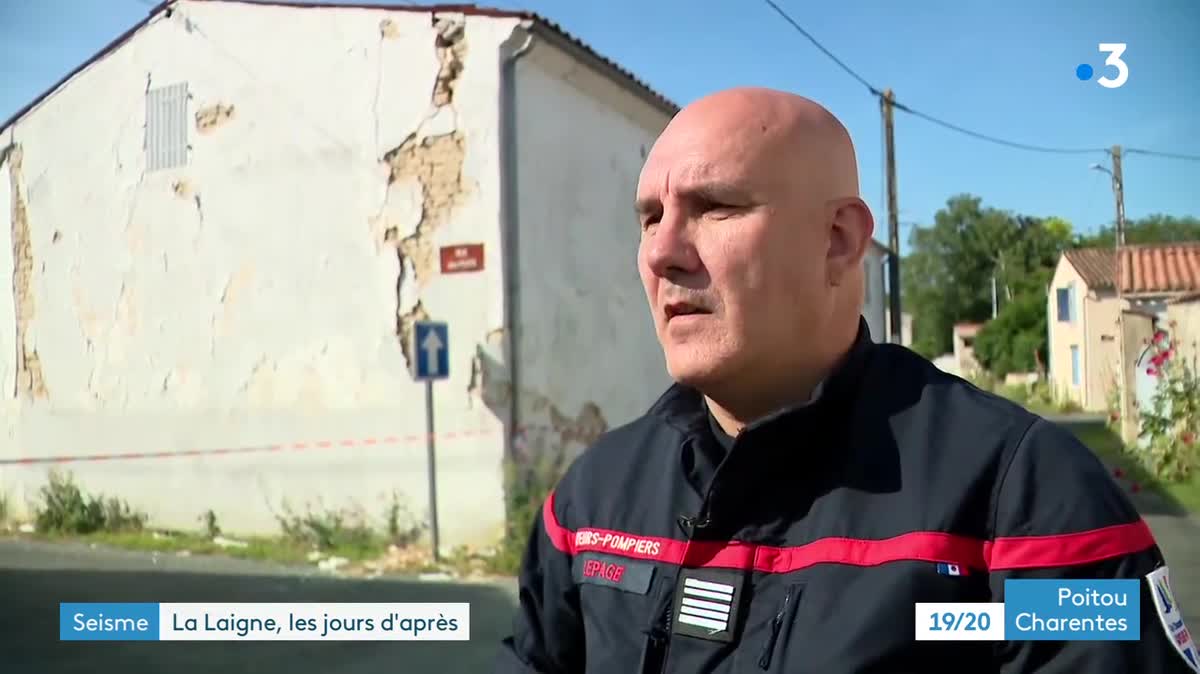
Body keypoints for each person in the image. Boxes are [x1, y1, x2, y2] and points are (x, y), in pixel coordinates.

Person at [492, 86, 1198, 673]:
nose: (663, 253)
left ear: (838, 240)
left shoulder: (1024, 504)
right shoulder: (589, 506)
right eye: (650, 217)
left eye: (714, 207)